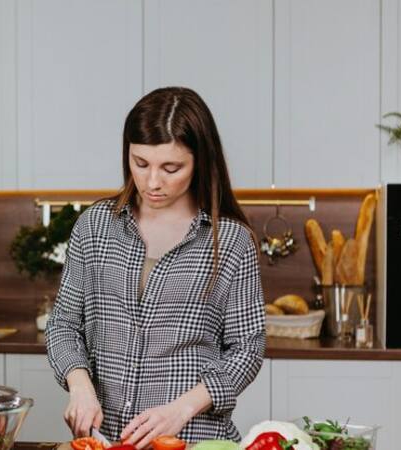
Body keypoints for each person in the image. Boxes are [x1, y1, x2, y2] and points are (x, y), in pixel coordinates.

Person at [45, 86, 265, 446]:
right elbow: (65, 324)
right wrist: (79, 383)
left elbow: (247, 349)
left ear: (201, 161)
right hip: (106, 439)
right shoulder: (95, 227)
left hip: (193, 438)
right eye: (140, 163)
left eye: (171, 168)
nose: (152, 182)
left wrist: (181, 409)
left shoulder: (231, 241)